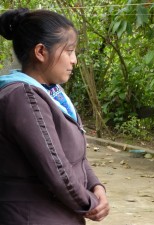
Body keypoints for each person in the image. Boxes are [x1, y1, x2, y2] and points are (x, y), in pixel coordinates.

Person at [0, 8, 109, 224]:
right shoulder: (24, 97)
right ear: (41, 52)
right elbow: (57, 169)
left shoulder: (51, 93)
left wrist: (96, 186)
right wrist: (89, 202)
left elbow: (74, 153)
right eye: (69, 51)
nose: (74, 60)